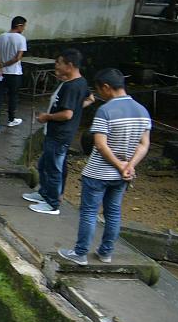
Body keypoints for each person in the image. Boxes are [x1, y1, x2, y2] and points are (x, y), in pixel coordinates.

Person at [58, 68, 151, 265]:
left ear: (107, 87)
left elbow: (100, 144)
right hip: (123, 175)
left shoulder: (106, 110)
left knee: (89, 213)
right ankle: (106, 253)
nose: (99, 94)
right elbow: (144, 144)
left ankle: (80, 253)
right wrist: (129, 166)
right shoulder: (142, 110)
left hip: (98, 172)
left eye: (99, 89)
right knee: (114, 213)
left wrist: (118, 165)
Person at [23, 49, 94, 215]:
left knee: (53, 168)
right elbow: (90, 99)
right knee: (45, 164)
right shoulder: (78, 82)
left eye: (59, 63)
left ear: (69, 65)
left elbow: (67, 114)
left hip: (60, 134)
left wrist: (47, 117)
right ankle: (44, 194)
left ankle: (52, 203)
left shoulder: (72, 86)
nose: (56, 65)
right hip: (57, 133)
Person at [0, 16, 27, 130]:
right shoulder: (21, 39)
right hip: (15, 73)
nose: (24, 29)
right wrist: (5, 65)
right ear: (19, 26)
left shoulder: (0, 37)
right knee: (13, 96)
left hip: (1, 73)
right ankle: (11, 119)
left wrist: (0, 67)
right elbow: (18, 58)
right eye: (24, 26)